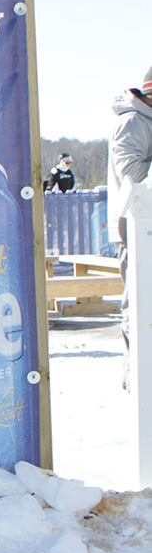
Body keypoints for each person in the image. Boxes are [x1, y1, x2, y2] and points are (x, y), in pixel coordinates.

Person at [110, 67, 152, 348]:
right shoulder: (133, 122)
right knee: (139, 307)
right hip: (136, 228)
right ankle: (135, 379)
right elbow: (131, 176)